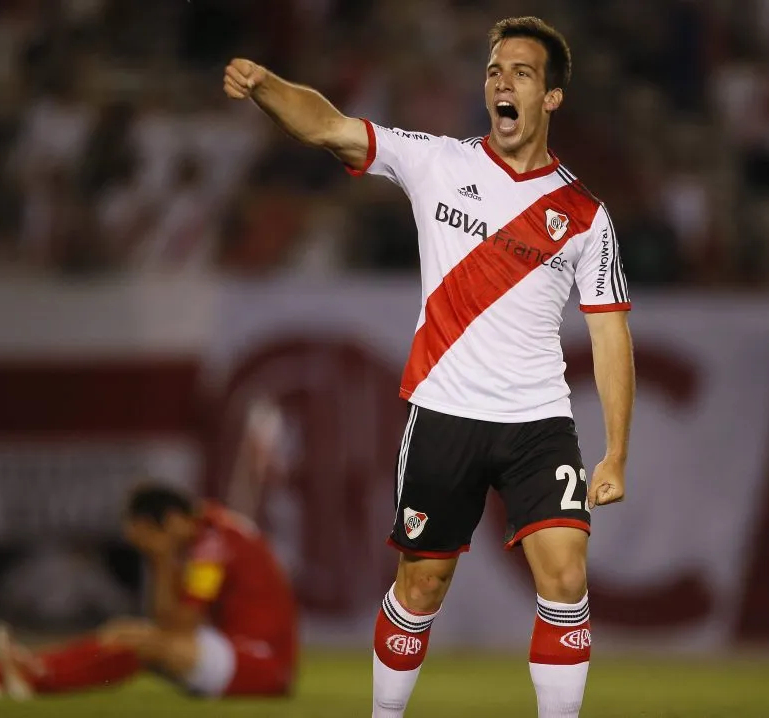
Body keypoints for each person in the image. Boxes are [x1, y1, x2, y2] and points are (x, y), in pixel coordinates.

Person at [223, 15, 634, 718]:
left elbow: (611, 335)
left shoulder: (585, 216)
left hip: (539, 421)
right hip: (444, 413)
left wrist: (617, 452)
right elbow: (330, 127)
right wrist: (267, 86)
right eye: (494, 70)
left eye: (522, 73)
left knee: (566, 578)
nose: (502, 82)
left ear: (552, 99)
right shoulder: (437, 161)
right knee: (421, 587)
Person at [0, 405, 299, 701]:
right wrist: (161, 561)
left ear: (171, 520)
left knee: (143, 643)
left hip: (261, 662)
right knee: (125, 633)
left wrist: (159, 561)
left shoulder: (213, 545)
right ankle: (20, 670)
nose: (146, 548)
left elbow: (176, 625)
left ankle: (28, 676)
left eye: (146, 539)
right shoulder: (207, 537)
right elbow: (168, 622)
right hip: (236, 652)